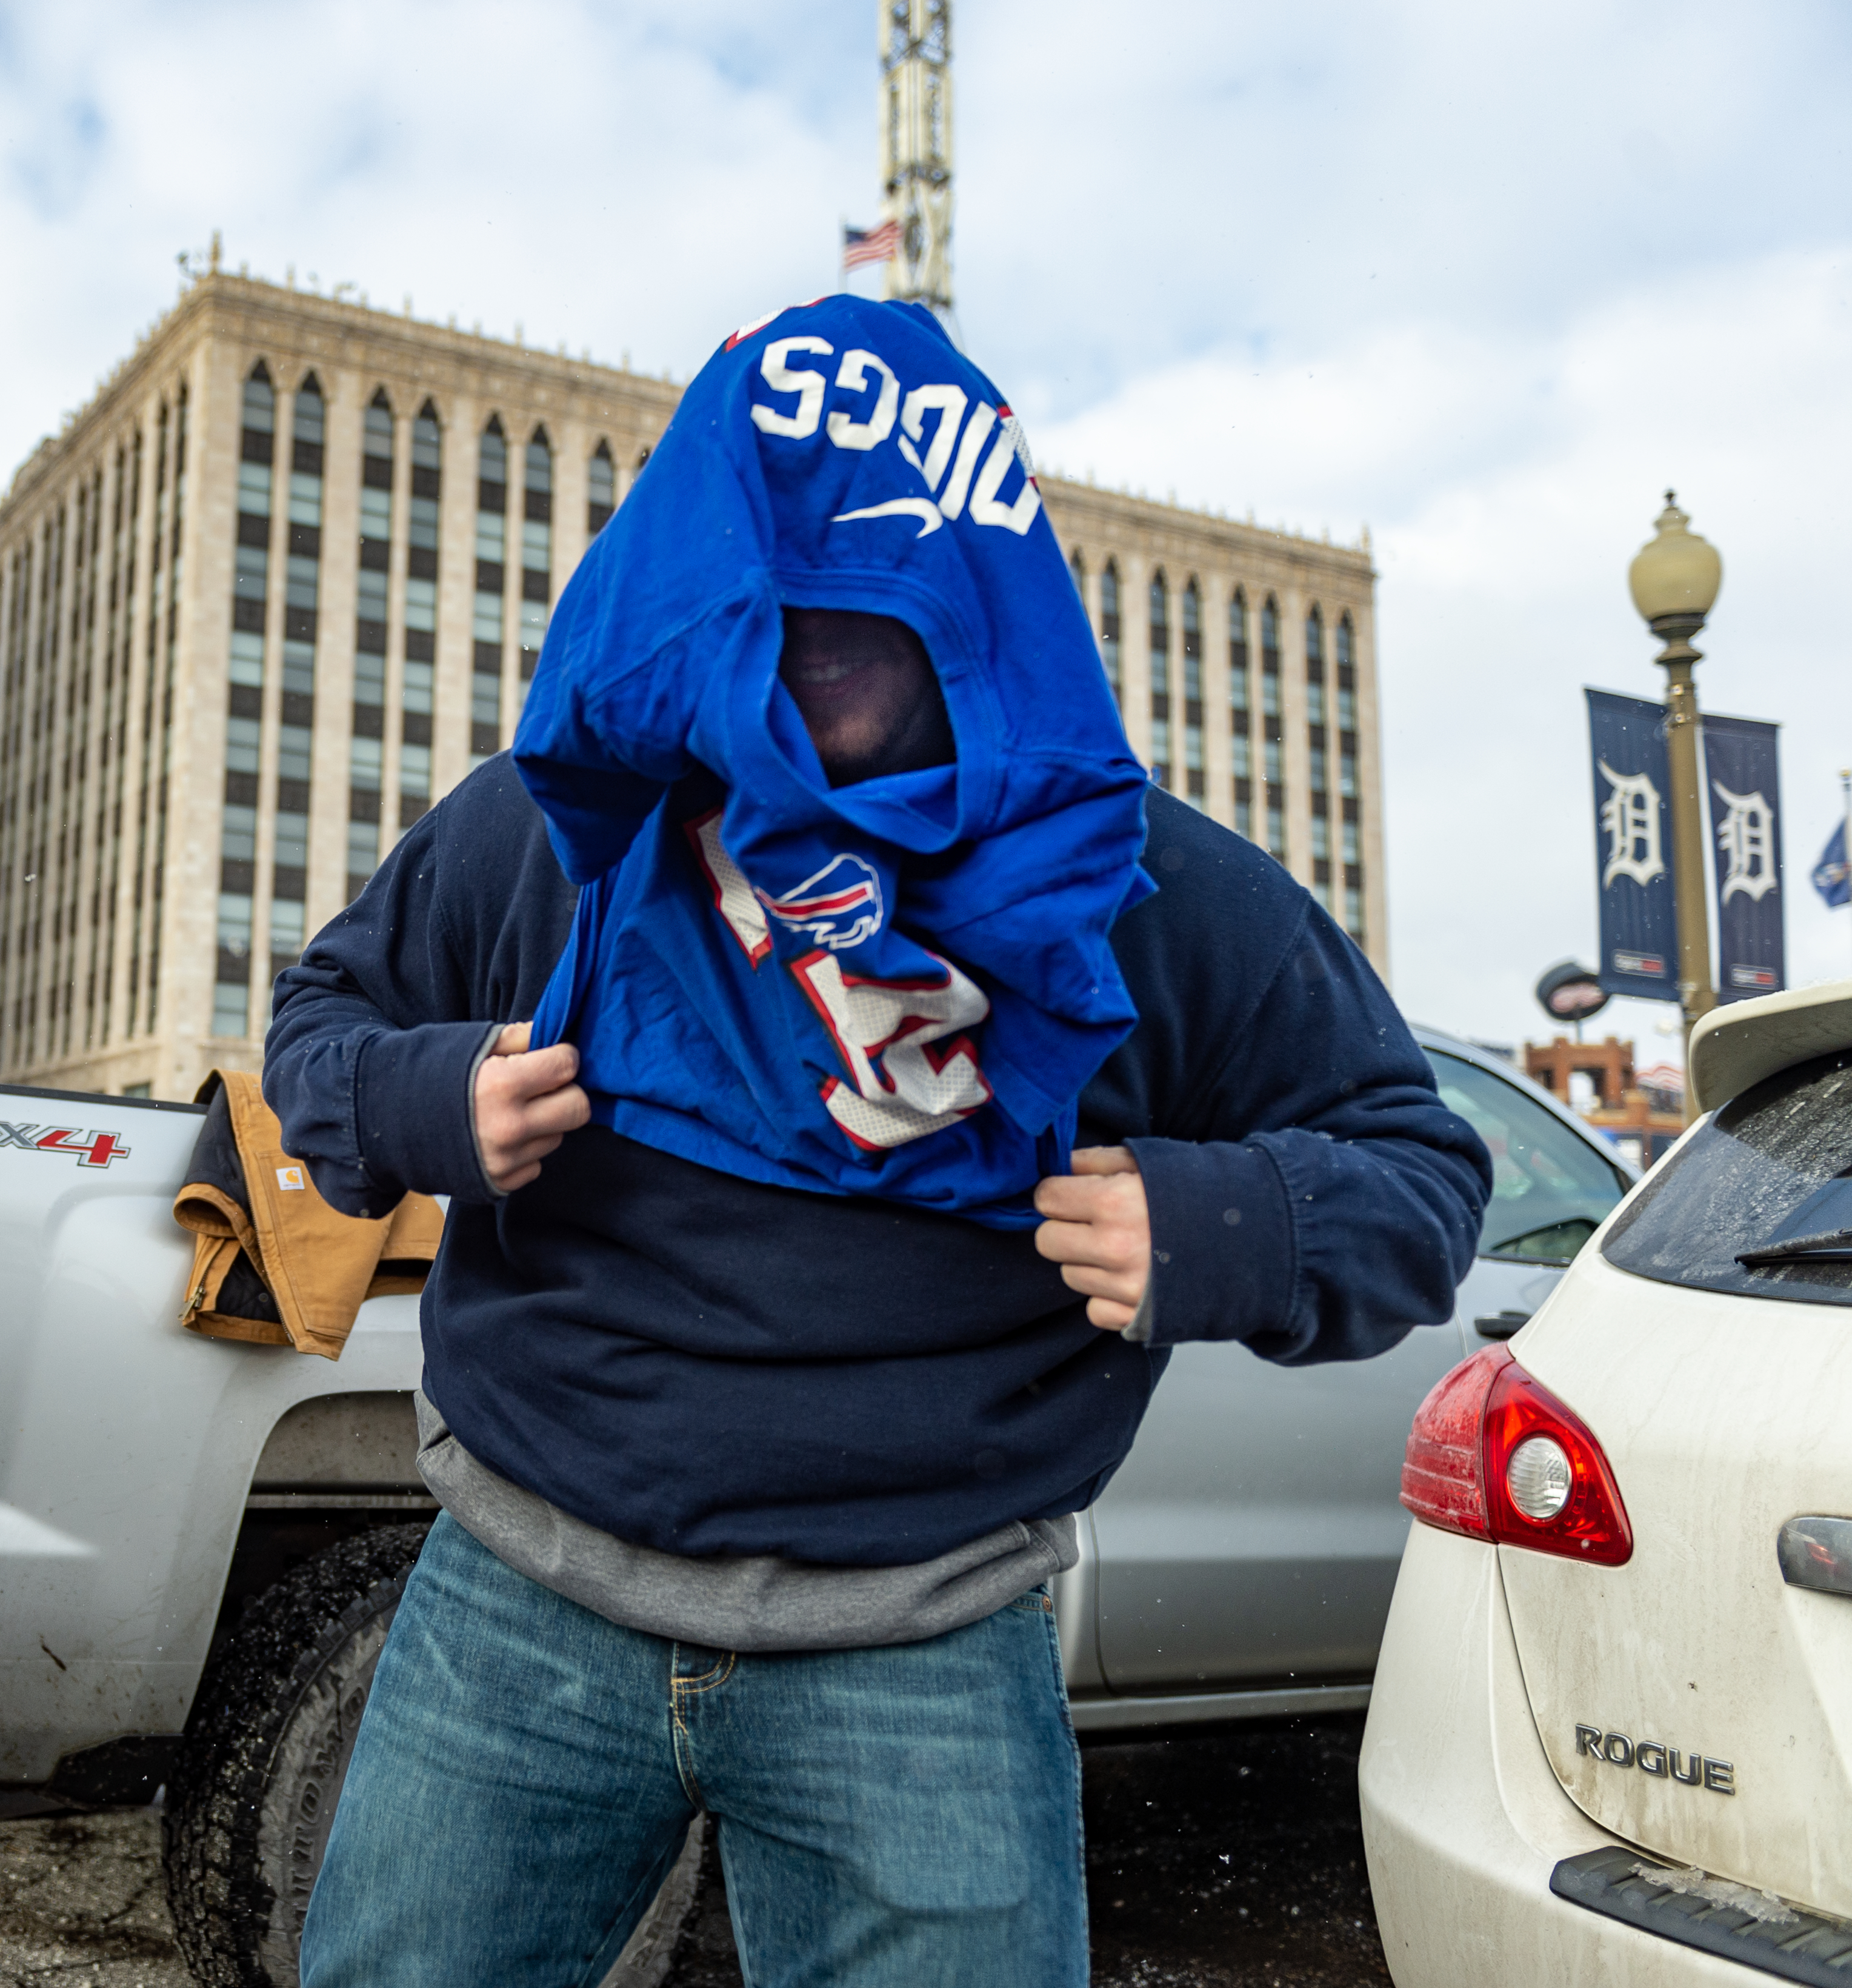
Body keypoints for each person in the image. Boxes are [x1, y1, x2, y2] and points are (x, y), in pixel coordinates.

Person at [263, 296, 1490, 1986]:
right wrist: (424, 1104)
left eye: (853, 633)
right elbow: (314, 1033)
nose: (796, 678)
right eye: (759, 624)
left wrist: (1224, 1227)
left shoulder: (1144, 892)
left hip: (919, 1655)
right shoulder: (569, 827)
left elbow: (1423, 1173)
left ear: (972, 611)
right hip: (518, 1611)